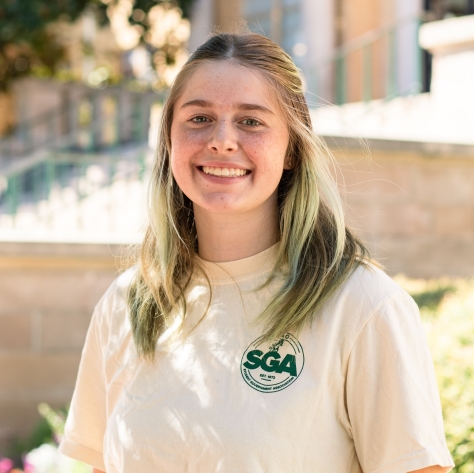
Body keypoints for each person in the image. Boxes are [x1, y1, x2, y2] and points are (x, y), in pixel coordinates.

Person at [59, 33, 454, 473]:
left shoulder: (362, 305)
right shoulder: (129, 302)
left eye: (251, 121)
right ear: (169, 140)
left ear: (291, 149)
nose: (222, 141)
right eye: (199, 118)